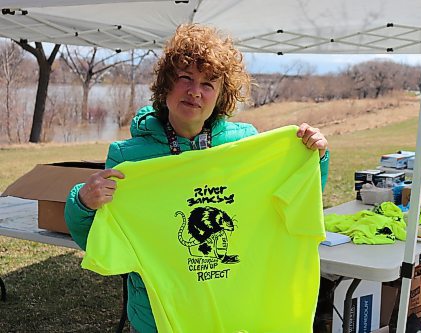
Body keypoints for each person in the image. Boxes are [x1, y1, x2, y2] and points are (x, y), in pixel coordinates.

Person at [65, 23, 330, 333]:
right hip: (158, 316)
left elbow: (296, 201)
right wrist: (83, 202)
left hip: (235, 310)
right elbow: (100, 239)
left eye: (208, 84)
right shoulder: (129, 159)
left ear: (220, 96)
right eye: (185, 78)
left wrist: (314, 158)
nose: (194, 91)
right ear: (165, 85)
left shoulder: (245, 147)